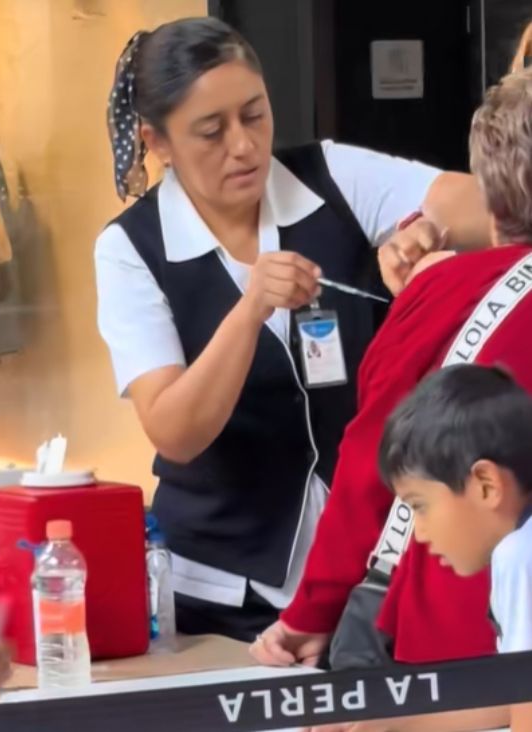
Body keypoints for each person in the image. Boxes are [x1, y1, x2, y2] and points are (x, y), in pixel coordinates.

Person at [94, 17, 491, 641]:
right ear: (158, 141)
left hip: (360, 569)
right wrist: (249, 309)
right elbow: (175, 431)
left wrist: (424, 228)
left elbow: (487, 203)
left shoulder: (328, 176)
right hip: (219, 589)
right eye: (211, 131)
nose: (244, 145)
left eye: (254, 115)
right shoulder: (130, 250)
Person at [249, 69, 532, 711]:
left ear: (492, 199)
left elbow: (375, 466)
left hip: (458, 642)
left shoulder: (446, 292)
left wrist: (310, 611)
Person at [370, 365, 528, 732]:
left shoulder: (521, 556)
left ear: (486, 484)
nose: (419, 534)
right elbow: (517, 697)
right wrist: (395, 723)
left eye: (419, 505)